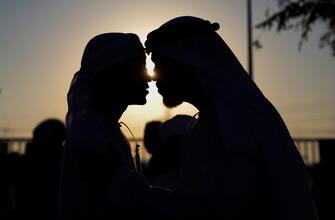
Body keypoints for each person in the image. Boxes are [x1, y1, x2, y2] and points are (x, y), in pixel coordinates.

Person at [135, 16, 318, 219]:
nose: (153, 76)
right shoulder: (218, 117)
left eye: (160, 65)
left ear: (187, 61)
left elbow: (215, 210)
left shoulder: (232, 121)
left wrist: (128, 188)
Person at [57, 33, 150, 220]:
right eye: (140, 68)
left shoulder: (104, 128)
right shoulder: (91, 135)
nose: (149, 78)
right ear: (114, 75)